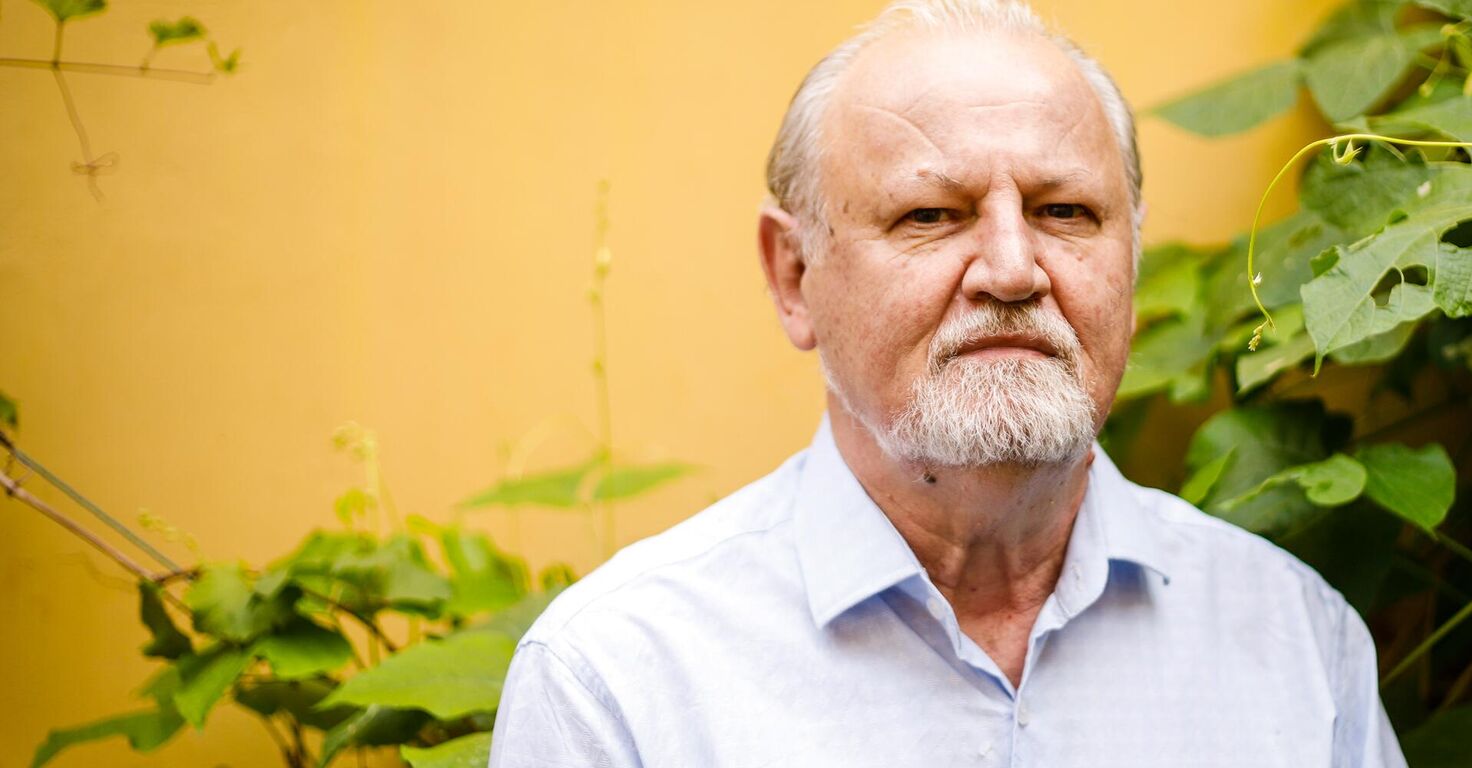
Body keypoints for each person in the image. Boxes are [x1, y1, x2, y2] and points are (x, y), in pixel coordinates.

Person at [490, 1, 1406, 765]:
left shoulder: (1299, 648)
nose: (1012, 269)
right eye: (930, 214)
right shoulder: (619, 685)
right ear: (792, 274)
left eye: (1065, 212)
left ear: (1131, 265)